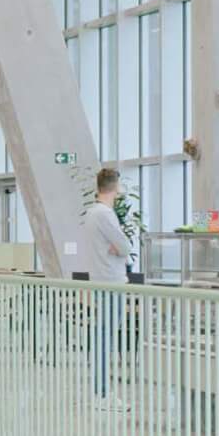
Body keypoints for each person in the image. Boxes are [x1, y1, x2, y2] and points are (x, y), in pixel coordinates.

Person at [80, 166, 131, 395]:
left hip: (100, 279)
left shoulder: (91, 213)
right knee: (106, 334)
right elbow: (126, 247)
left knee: (103, 332)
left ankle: (100, 388)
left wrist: (117, 248)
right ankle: (101, 390)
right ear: (116, 187)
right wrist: (119, 248)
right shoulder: (104, 214)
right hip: (112, 280)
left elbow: (119, 247)